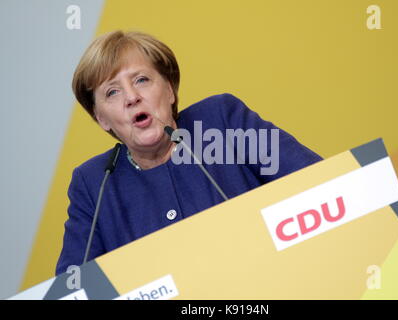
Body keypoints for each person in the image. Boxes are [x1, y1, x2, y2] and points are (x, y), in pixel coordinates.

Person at [55, 30, 322, 275]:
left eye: (141, 79)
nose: (131, 97)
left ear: (169, 89)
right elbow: (72, 287)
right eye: (112, 91)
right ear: (101, 118)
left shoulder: (221, 119)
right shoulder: (93, 183)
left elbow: (320, 185)